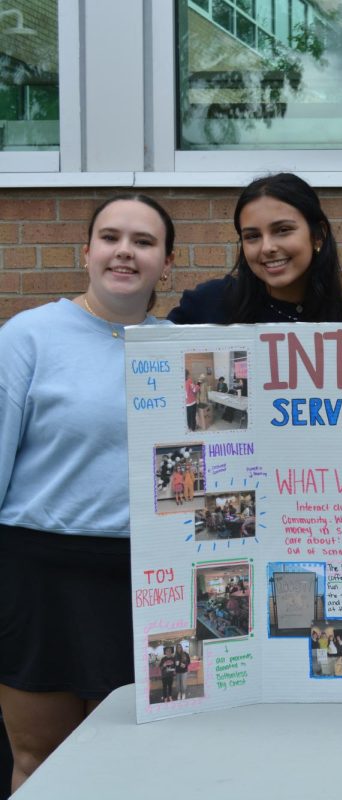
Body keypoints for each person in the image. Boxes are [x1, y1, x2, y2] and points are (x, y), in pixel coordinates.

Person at [0, 193, 174, 791]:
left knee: (138, 767)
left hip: (146, 580)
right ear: (87, 251)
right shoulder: (28, 337)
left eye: (144, 242)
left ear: (166, 264)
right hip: (38, 575)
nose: (125, 251)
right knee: (39, 760)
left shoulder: (180, 349)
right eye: (111, 237)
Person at [168, 173, 342, 324]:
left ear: (318, 235)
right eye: (252, 236)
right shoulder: (207, 304)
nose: (267, 247)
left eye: (283, 230)